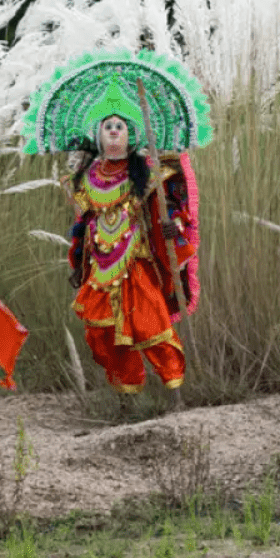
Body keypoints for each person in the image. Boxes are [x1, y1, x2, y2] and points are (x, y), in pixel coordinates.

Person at [66, 103, 196, 408]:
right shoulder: (86, 179)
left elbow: (170, 210)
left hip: (135, 263)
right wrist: (77, 263)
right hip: (100, 268)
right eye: (107, 125)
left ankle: (177, 400)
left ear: (131, 135)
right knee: (106, 335)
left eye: (120, 126)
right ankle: (128, 404)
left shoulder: (146, 175)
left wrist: (172, 227)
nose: (113, 130)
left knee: (153, 327)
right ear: (97, 135)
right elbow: (82, 226)